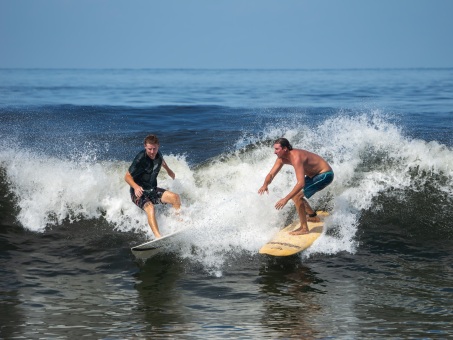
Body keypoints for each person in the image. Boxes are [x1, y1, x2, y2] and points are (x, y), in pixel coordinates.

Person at [258, 138, 334, 235]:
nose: (274, 152)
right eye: (274, 149)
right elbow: (271, 174)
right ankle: (312, 216)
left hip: (325, 175)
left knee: (296, 196)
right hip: (314, 176)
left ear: (285, 149)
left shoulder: (296, 157)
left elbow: (301, 183)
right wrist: (265, 185)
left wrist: (285, 199)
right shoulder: (281, 159)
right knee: (296, 195)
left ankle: (304, 229)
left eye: (277, 149)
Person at [125, 134, 181, 238]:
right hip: (138, 192)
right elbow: (127, 176)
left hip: (151, 189)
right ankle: (158, 237)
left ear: (158, 146)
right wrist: (136, 187)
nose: (152, 152)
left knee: (175, 198)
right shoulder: (140, 158)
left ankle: (179, 224)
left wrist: (169, 171)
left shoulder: (158, 154)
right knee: (150, 207)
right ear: (145, 146)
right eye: (149, 149)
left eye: (154, 149)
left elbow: (162, 161)